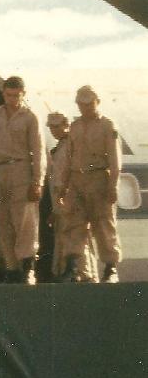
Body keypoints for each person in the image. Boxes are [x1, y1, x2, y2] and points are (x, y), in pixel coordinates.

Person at [0, 75, 46, 284]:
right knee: (3, 219)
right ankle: (11, 268)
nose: (13, 99)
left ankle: (27, 267)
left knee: (24, 221)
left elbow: (39, 150)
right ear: (3, 94)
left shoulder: (30, 117)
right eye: (9, 95)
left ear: (23, 94)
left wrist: (37, 181)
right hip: (0, 175)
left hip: (21, 172)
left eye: (17, 95)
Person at [62, 85, 123, 283]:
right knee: (74, 225)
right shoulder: (75, 126)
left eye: (89, 103)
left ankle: (110, 267)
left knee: (104, 224)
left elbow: (115, 160)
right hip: (77, 179)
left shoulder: (106, 125)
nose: (85, 108)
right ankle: (72, 267)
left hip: (98, 179)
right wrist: (64, 186)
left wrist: (113, 185)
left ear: (97, 102)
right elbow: (68, 158)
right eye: (81, 104)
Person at [43, 113, 87, 282]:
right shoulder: (59, 148)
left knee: (74, 237)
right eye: (51, 127)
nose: (54, 130)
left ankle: (79, 273)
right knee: (62, 236)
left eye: (57, 126)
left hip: (70, 199)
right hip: (59, 202)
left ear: (66, 124)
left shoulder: (72, 145)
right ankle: (65, 273)